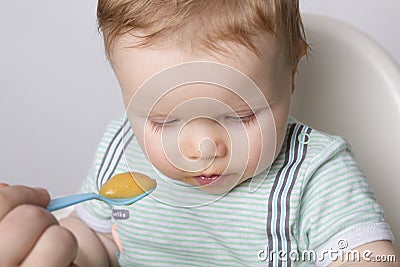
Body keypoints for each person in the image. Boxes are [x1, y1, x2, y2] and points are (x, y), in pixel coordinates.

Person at [0, 1, 399, 266]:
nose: (198, 149)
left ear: (291, 78)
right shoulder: (122, 152)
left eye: (240, 116)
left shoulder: (315, 174)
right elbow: (99, 242)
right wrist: (64, 253)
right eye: (164, 122)